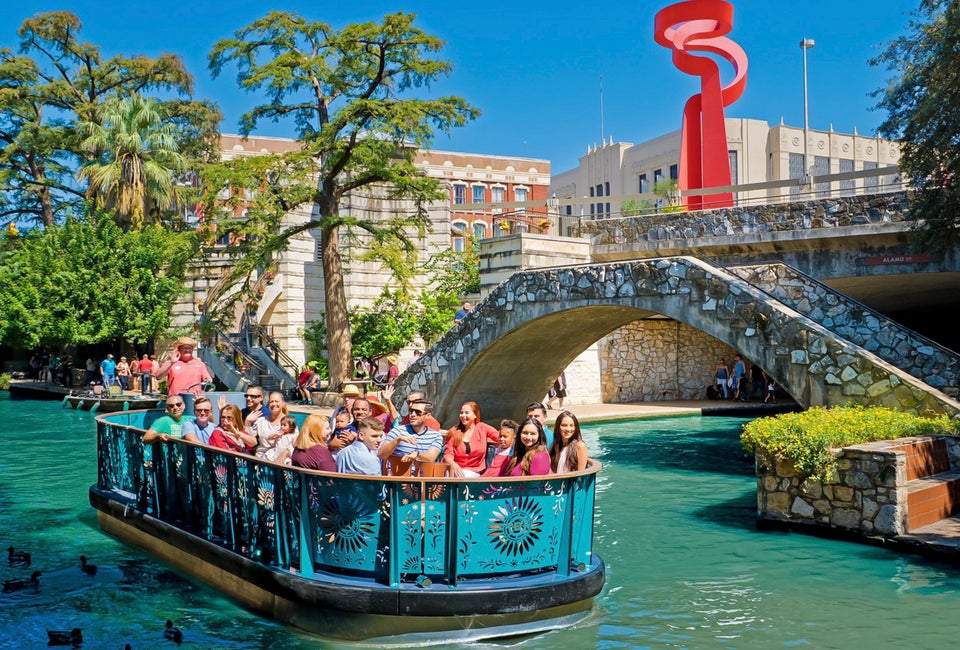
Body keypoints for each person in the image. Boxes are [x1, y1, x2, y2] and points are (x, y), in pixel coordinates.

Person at [443, 401, 500, 478]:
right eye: (461, 413)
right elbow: (448, 454)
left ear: (475, 415)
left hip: (474, 471)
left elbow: (499, 437)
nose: (463, 415)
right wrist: (454, 465)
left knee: (464, 477)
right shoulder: (454, 432)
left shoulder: (482, 428)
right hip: (455, 469)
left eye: (467, 413)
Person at [378, 398, 443, 464]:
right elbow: (381, 455)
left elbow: (431, 458)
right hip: (397, 473)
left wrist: (417, 454)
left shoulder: (436, 436)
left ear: (428, 416)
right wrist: (397, 440)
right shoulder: (397, 431)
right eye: (411, 411)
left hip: (422, 474)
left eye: (418, 412)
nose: (413, 414)